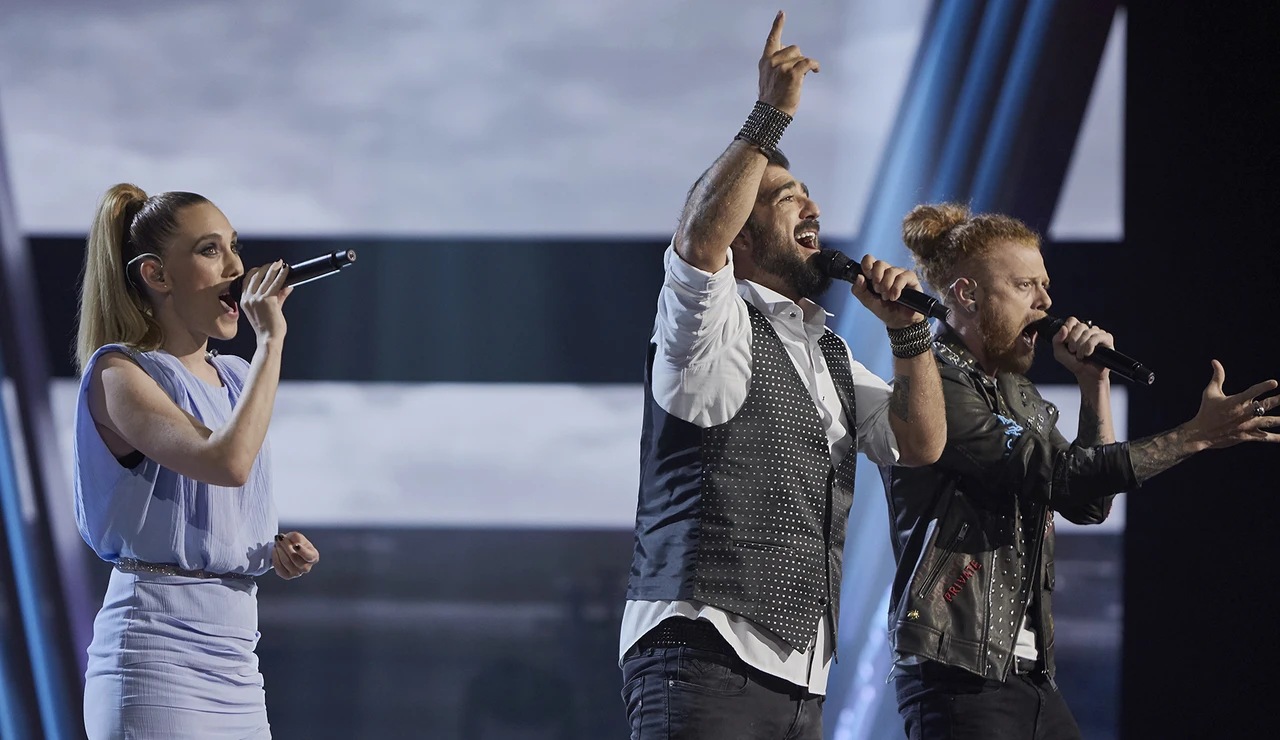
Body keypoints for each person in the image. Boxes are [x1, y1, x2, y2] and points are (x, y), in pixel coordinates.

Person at [618, 12, 948, 739]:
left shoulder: (827, 352)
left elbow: (918, 442)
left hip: (801, 683)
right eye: (787, 196)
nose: (815, 208)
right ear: (741, 233)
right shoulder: (708, 319)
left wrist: (909, 332)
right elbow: (698, 241)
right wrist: (771, 116)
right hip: (703, 657)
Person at [881, 202, 1279, 740]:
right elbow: (1060, 473)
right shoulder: (938, 383)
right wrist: (1195, 436)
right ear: (967, 294)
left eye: (1045, 286)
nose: (1046, 304)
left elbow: (1088, 503)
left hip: (1027, 674)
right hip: (958, 671)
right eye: (1026, 286)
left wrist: (1095, 384)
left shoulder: (1017, 392)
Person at [73, 183, 320, 739]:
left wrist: (265, 547)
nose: (236, 267)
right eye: (211, 251)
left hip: (237, 656)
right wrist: (271, 341)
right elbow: (226, 462)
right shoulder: (120, 374)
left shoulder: (234, 376)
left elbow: (224, 491)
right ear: (157, 275)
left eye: (235, 247)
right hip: (156, 656)